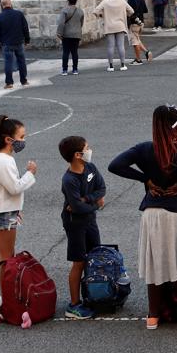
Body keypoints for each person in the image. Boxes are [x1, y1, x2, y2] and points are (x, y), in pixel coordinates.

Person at [108, 105, 177, 332]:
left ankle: (153, 316)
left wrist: (145, 180)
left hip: (151, 213)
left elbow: (115, 165)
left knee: (156, 263)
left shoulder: (144, 149)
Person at [58, 135, 105, 320]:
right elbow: (75, 208)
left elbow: (101, 188)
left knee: (94, 257)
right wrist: (96, 204)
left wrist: (86, 199)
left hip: (90, 220)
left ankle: (92, 295)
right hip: (75, 224)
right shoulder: (69, 179)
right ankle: (74, 305)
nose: (89, 150)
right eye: (87, 148)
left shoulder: (91, 168)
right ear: (78, 155)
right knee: (79, 261)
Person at [0, 115, 36, 263]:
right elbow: (14, 188)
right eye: (21, 137)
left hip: (4, 211)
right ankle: (6, 286)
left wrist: (15, 210)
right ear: (8, 139)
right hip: (2, 213)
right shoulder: (2, 161)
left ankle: (4, 286)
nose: (23, 140)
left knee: (4, 256)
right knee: (7, 258)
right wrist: (30, 173)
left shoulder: (2, 158)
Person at [0, 0, 31, 89]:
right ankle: (24, 80)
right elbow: (25, 28)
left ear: (2, 5)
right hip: (19, 41)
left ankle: (9, 83)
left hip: (6, 43)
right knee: (21, 61)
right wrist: (27, 40)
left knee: (8, 63)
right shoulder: (19, 14)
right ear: (10, 3)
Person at [93, 0, 133, 72]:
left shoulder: (104, 2)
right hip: (120, 25)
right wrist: (125, 15)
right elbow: (131, 11)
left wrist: (102, 15)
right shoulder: (122, 2)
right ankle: (122, 65)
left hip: (109, 26)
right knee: (121, 46)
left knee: (110, 46)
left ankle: (111, 66)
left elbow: (95, 11)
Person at [56, 0, 84, 76]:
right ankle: (75, 69)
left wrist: (59, 33)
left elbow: (61, 23)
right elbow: (81, 23)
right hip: (76, 34)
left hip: (66, 34)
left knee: (66, 52)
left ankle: (65, 70)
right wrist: (78, 30)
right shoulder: (80, 11)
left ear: (68, 1)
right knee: (74, 52)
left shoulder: (65, 10)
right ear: (76, 1)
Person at [127, 0, 152, 66]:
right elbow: (145, 10)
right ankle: (147, 52)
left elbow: (130, 11)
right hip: (141, 22)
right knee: (137, 39)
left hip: (134, 23)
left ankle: (138, 60)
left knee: (135, 42)